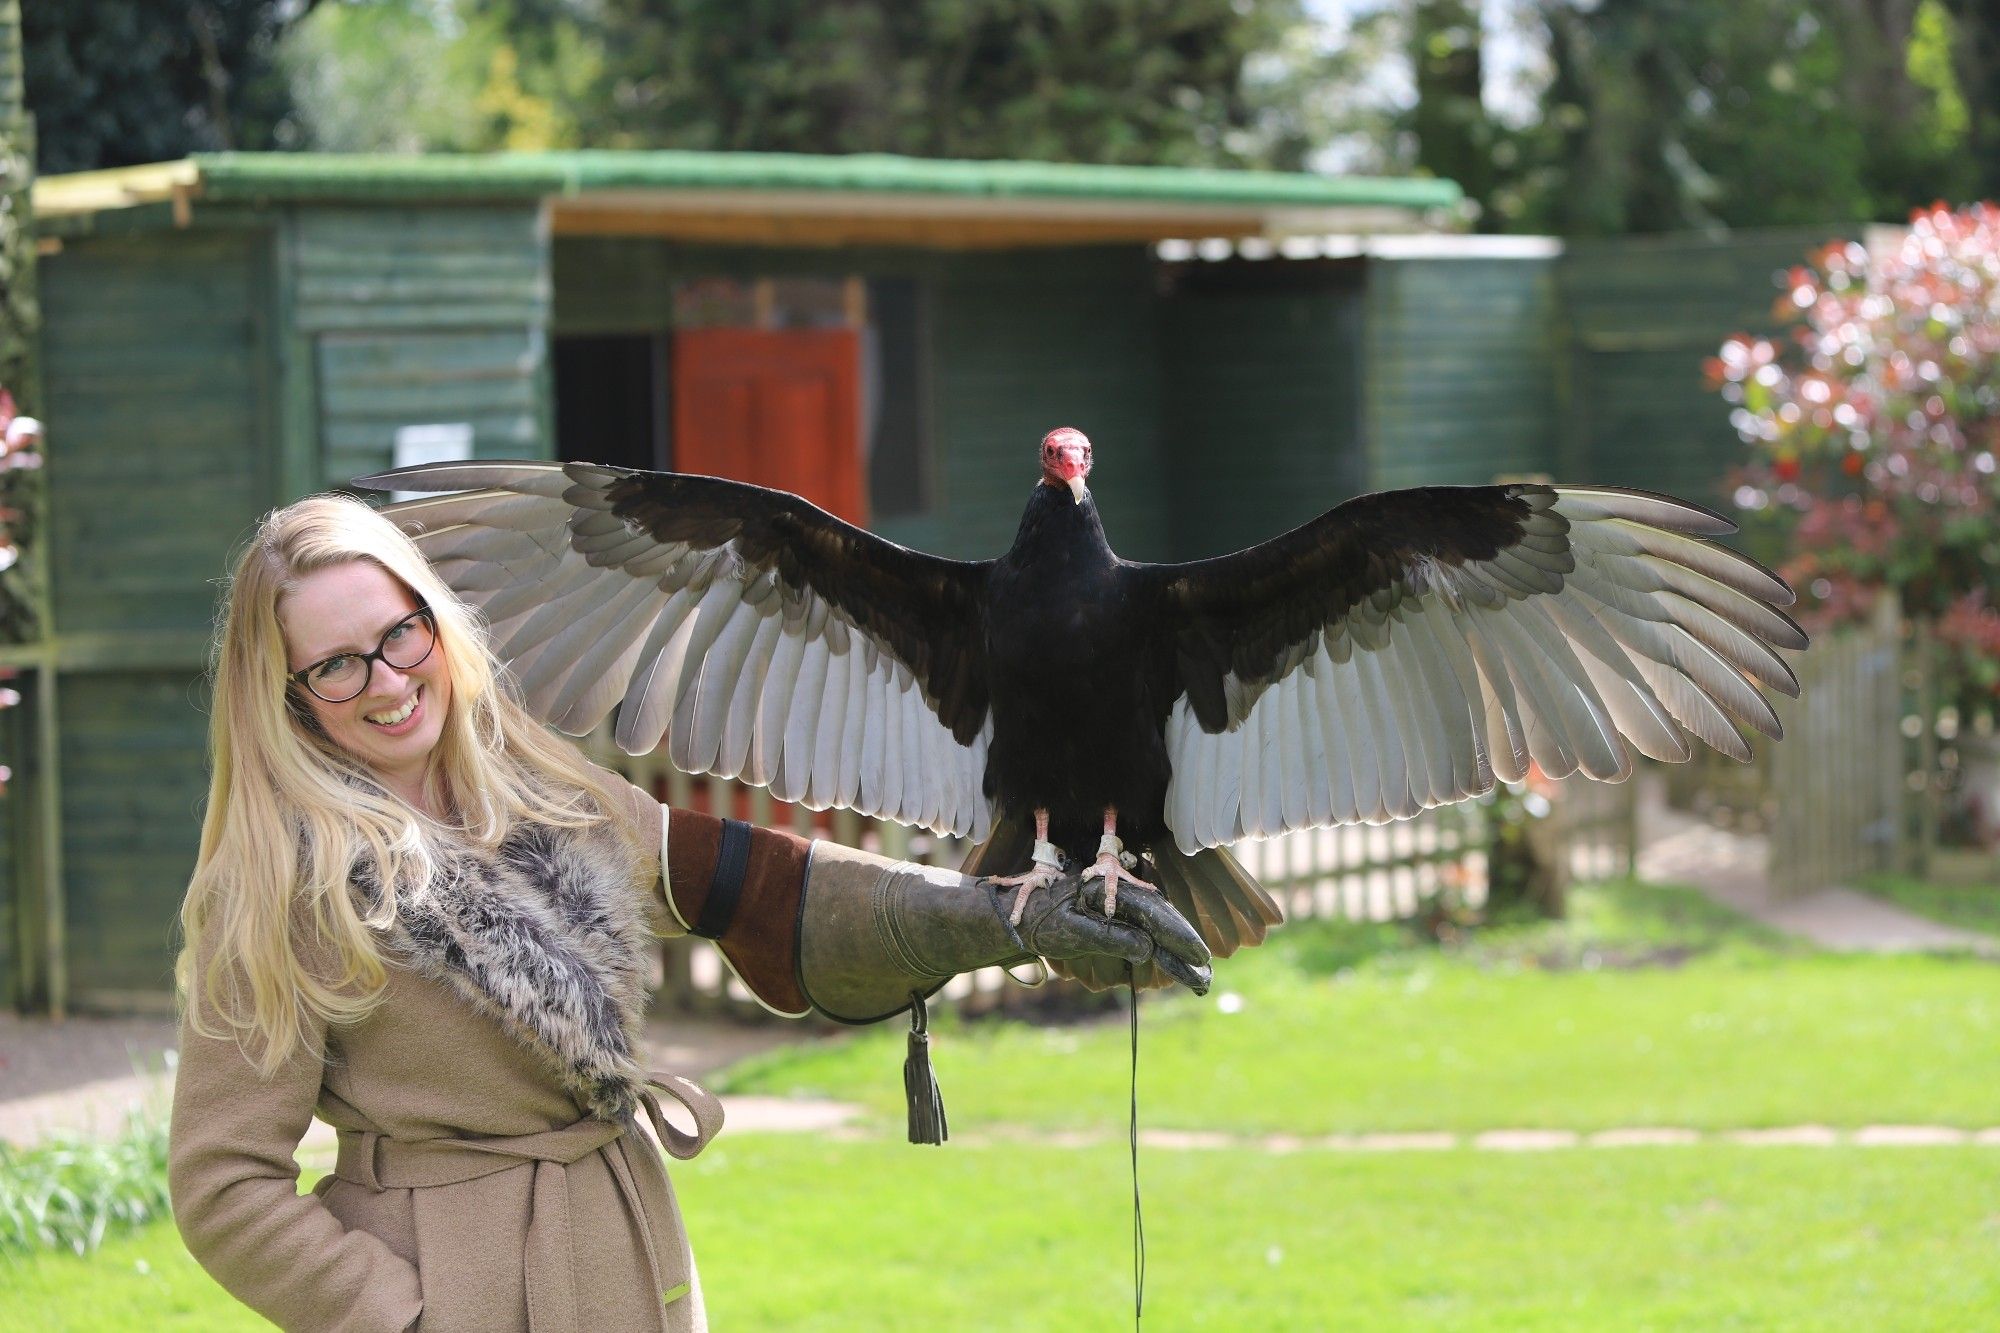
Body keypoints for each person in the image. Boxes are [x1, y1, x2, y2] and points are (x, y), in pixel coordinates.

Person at [168, 493, 1211, 1333]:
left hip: (626, 1260)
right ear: (289, 693)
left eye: (404, 634)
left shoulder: (541, 789)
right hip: (447, 1284)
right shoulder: (275, 878)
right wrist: (395, 1314)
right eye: (340, 664)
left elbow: (755, 889)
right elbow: (222, 1183)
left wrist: (1000, 918)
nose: (389, 680)